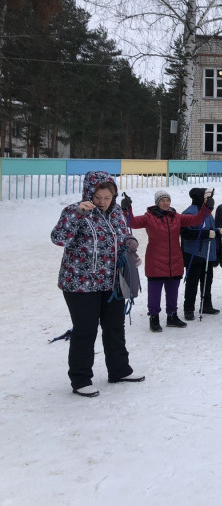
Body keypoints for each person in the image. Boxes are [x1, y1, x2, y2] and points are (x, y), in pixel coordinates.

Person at [50, 170, 144, 397]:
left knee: (114, 327)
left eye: (107, 198)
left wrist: (131, 243)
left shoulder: (118, 214)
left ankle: (119, 370)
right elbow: (58, 238)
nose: (102, 202)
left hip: (111, 282)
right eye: (98, 197)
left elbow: (123, 236)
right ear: (89, 194)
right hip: (80, 283)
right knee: (86, 331)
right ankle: (81, 380)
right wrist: (77, 215)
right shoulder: (76, 211)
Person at [126, 189, 213, 331]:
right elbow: (133, 222)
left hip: (175, 261)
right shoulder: (149, 217)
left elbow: (197, 219)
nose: (165, 203)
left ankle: (172, 316)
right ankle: (154, 318)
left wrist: (207, 207)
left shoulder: (177, 217)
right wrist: (127, 208)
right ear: (157, 202)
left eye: (167, 200)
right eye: (162, 200)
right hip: (155, 261)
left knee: (173, 291)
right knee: (154, 293)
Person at [181, 188, 219, 320]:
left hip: (207, 252)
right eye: (207, 197)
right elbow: (186, 234)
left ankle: (206, 305)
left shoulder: (207, 212)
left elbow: (211, 229)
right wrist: (205, 234)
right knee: (192, 282)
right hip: (194, 254)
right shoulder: (189, 212)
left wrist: (218, 231)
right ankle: (188, 308)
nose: (209, 199)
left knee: (207, 280)